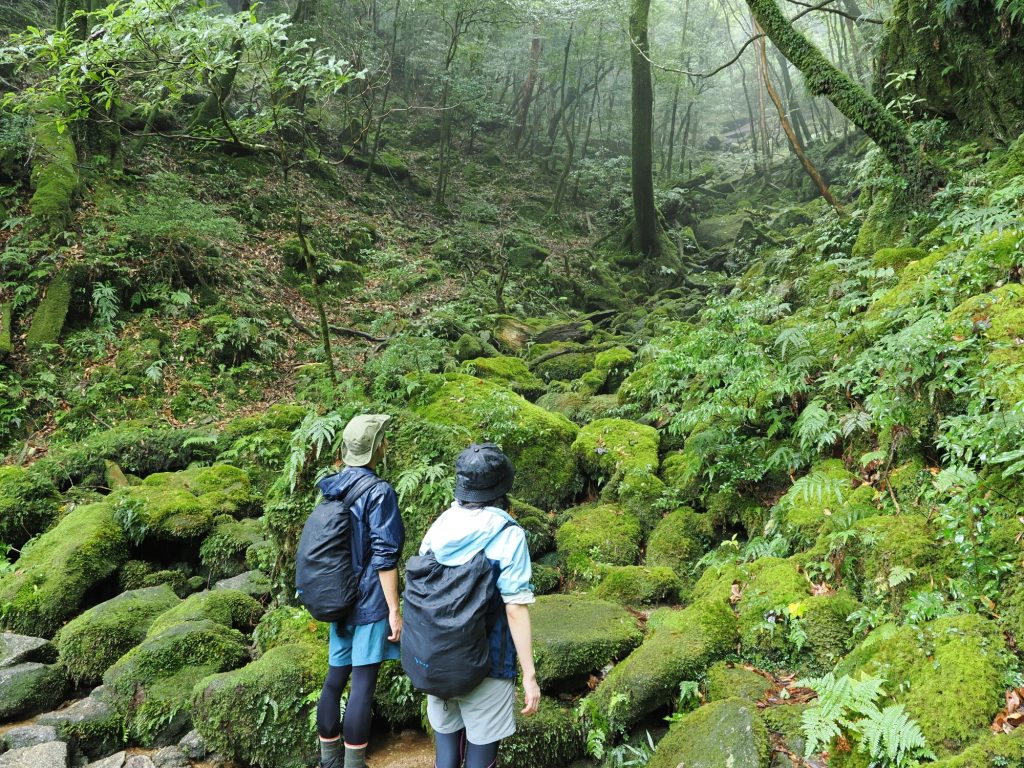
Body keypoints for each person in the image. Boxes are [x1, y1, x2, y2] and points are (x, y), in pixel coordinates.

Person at [417, 443, 541, 768]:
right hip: (488, 666)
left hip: (437, 659)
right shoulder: (509, 535)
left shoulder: (440, 526)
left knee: (446, 754)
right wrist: (529, 675)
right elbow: (515, 607)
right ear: (502, 487)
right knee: (480, 759)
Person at [315, 414, 404, 768]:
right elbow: (385, 557)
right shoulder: (379, 492)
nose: (385, 443)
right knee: (363, 684)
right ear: (374, 448)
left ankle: (329, 762)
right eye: (381, 439)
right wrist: (394, 609)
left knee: (336, 678)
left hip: (337, 598)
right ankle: (352, 765)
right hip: (369, 602)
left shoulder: (333, 487)